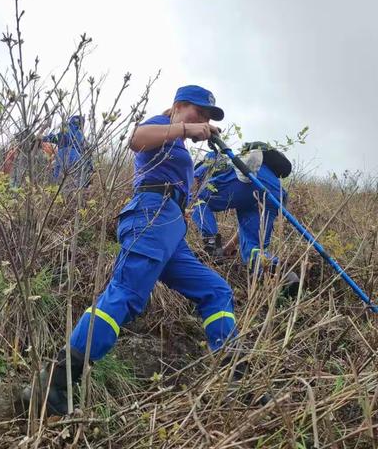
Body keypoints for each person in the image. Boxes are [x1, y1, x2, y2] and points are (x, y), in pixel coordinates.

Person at [23, 85, 242, 415]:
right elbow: (136, 139)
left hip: (170, 229)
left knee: (216, 291)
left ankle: (233, 374)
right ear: (179, 106)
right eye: (199, 112)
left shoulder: (176, 145)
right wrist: (186, 128)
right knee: (126, 293)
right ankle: (54, 384)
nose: (203, 120)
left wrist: (179, 208)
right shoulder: (161, 124)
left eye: (208, 117)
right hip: (149, 218)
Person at [191, 142, 300, 295]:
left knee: (195, 198)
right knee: (252, 246)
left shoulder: (209, 158)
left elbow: (194, 185)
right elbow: (244, 227)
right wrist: (230, 246)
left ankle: (211, 243)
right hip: (275, 191)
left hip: (249, 175)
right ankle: (283, 276)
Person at [41, 114, 93, 187]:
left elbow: (53, 138)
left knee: (56, 183)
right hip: (76, 159)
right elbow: (88, 155)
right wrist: (90, 170)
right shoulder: (82, 137)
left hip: (60, 157)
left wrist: (43, 138)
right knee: (75, 185)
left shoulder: (64, 132)